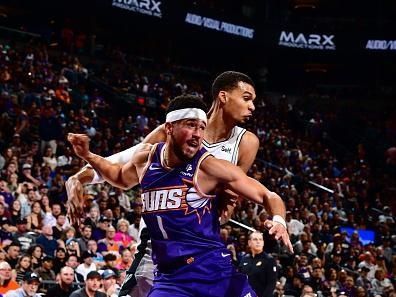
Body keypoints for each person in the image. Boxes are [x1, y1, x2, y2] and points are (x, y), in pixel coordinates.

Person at [68, 95, 293, 296]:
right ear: (169, 128)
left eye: (201, 127)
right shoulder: (146, 158)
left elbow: (268, 195)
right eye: (190, 125)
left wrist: (279, 220)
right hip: (171, 278)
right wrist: (88, 155)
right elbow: (119, 177)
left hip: (214, 271)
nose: (197, 134)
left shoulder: (209, 167)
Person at [239, 231, 277, 297]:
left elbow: (271, 284)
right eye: (255, 239)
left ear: (263, 243)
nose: (258, 242)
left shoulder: (269, 260)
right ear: (249, 243)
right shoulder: (244, 259)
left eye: (260, 239)